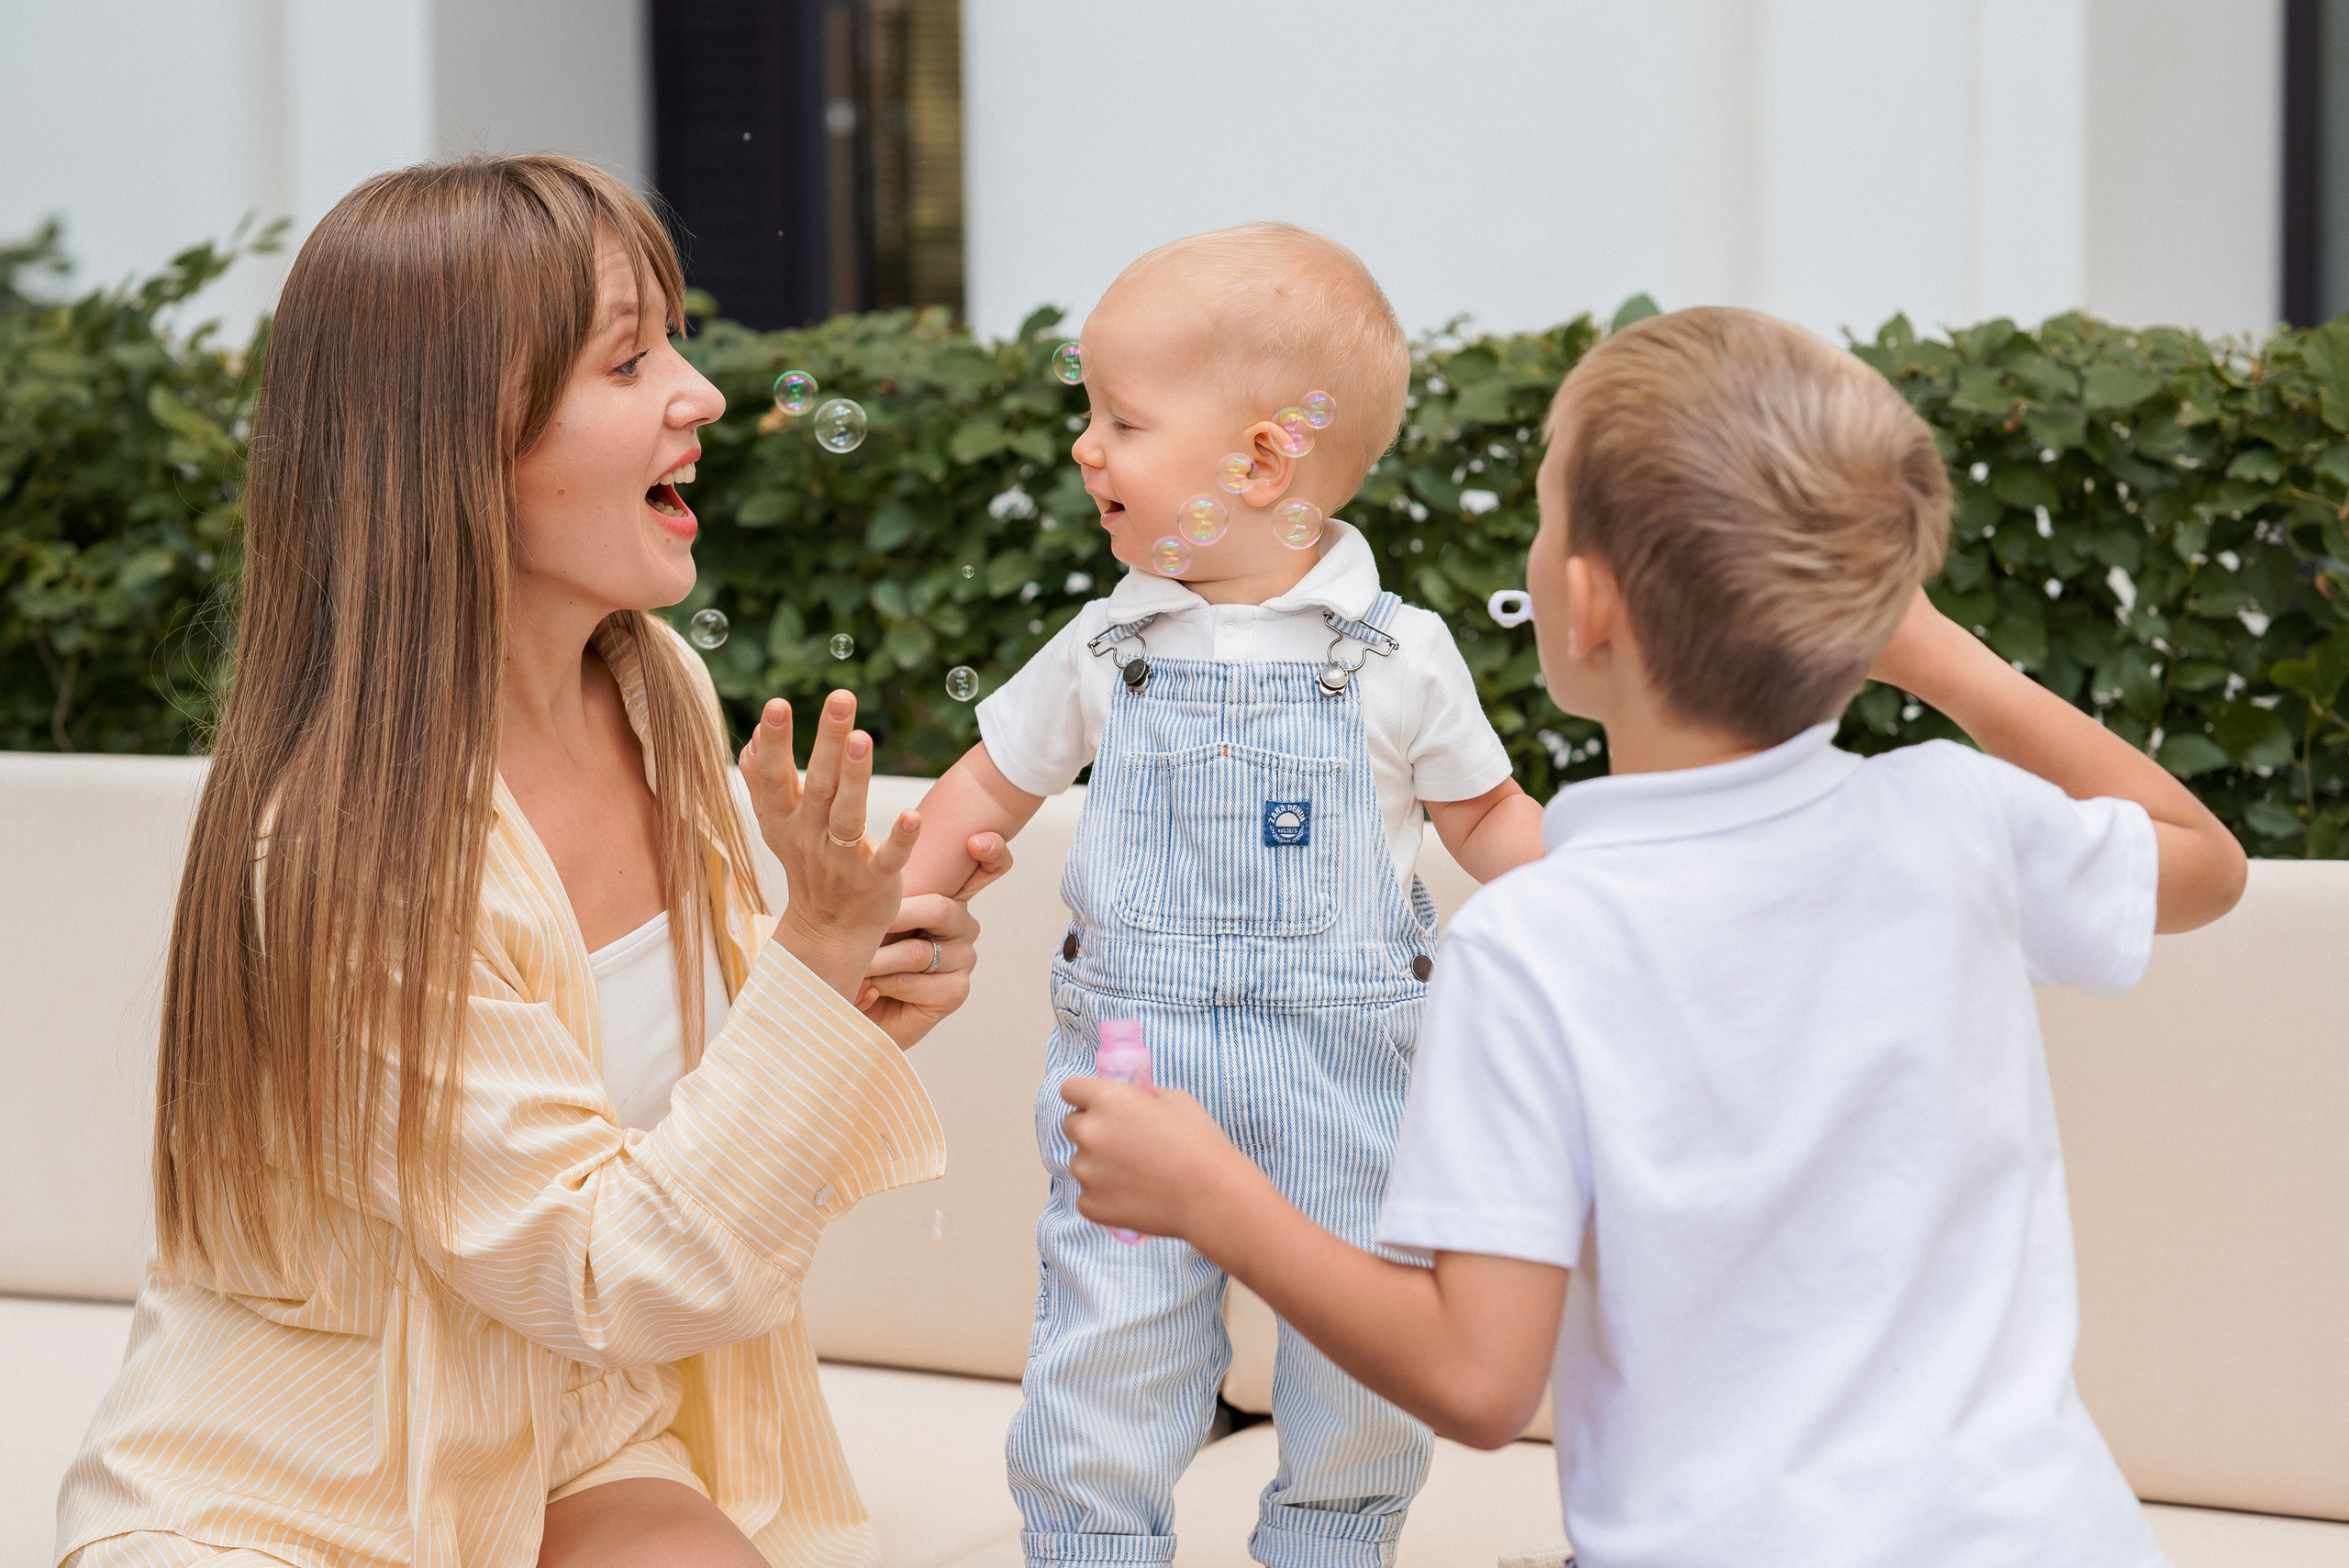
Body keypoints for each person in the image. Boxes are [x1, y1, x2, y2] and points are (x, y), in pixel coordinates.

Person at [1057, 306, 2249, 1568]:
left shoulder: (1537, 943)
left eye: (1543, 514)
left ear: (1587, 605)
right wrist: (1937, 653)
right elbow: (2204, 863)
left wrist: (1215, 1197)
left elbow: (1477, 1380)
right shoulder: (1960, 821)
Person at [55, 156, 1006, 1568]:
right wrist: (808, 971)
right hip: (297, 1490)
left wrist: (840, 992)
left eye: (675, 341)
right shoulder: (344, 852)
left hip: (572, 1429)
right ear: (453, 442)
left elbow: (683, 1128)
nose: (703, 394)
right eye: (629, 360)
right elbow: (608, 1270)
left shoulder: (657, 689)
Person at [901, 223, 1548, 1568]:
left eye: (1121, 420)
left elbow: (1487, 817)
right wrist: (892, 900)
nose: (1085, 447)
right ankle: (1090, 1545)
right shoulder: (1108, 638)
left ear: (1257, 463)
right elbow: (983, 786)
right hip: (1135, 1064)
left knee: (1365, 1355)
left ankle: (1332, 1541)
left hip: (1349, 1073)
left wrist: (1608, 919)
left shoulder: (1401, 655)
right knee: (1107, 1343)